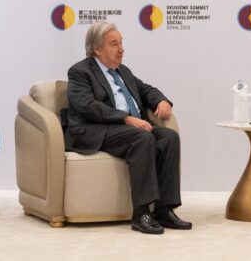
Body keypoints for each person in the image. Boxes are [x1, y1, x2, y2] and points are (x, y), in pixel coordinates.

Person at [65, 21, 191, 234]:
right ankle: (141, 213)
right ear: (97, 49)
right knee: (142, 137)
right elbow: (87, 106)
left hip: (131, 128)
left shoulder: (122, 71)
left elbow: (146, 90)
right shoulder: (80, 72)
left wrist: (161, 101)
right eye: (114, 44)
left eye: (121, 43)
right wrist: (126, 119)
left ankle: (164, 210)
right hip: (99, 129)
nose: (121, 49)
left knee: (169, 137)